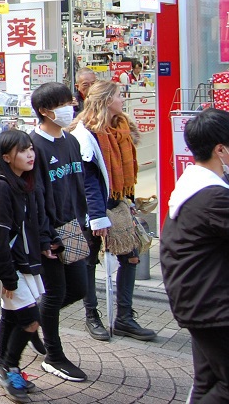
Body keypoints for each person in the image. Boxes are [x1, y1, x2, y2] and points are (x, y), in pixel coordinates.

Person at [70, 81, 156, 341]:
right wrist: (97, 217)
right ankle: (92, 315)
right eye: (119, 95)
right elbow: (89, 180)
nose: (123, 99)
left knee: (131, 256)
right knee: (89, 260)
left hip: (118, 205)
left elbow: (126, 172)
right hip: (91, 209)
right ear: (107, 100)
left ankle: (124, 317)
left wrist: (129, 202)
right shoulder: (85, 135)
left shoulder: (122, 128)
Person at [160, 108, 229, 403]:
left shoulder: (195, 185)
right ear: (221, 149)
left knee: (207, 380)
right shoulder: (212, 197)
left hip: (198, 299)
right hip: (211, 304)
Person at [0, 130, 47, 403]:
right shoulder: (0, 188)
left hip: (22, 262)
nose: (30, 154)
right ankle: (9, 367)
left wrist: (46, 242)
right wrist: (8, 277)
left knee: (12, 316)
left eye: (30, 148)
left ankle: (6, 368)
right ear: (7, 157)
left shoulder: (19, 183)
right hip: (12, 266)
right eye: (23, 151)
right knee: (30, 320)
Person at [29, 82, 88, 382]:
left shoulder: (71, 141)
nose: (71, 107)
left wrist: (87, 219)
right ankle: (53, 356)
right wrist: (43, 236)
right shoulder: (33, 147)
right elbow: (34, 197)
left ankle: (31, 321)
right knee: (55, 292)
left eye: (71, 101)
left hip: (73, 226)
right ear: (44, 111)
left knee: (79, 288)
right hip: (50, 231)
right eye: (64, 103)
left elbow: (77, 184)